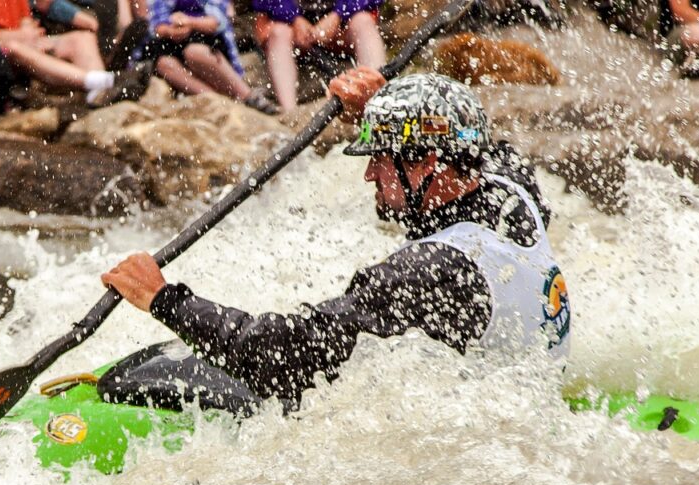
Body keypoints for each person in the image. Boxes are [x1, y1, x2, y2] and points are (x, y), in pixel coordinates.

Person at [101, 68, 572, 406]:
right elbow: (480, 142)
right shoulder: (513, 189)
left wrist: (163, 299)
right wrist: (384, 104)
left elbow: (285, 354)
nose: (369, 174)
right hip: (532, 397)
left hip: (481, 434)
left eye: (381, 158)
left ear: (426, 163)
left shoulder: (432, 271)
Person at [0, 0, 150, 107]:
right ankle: (106, 81)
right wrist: (9, 37)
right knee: (15, 48)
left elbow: (27, 17)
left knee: (81, 39)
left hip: (24, 41)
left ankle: (98, 97)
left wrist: (30, 33)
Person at [138, 0, 277, 113]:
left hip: (208, 40)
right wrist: (170, 31)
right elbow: (156, 25)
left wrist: (189, 22)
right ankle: (218, 101)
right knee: (164, 63)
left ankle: (248, 96)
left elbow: (218, 22)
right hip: (174, 42)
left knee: (194, 52)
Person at [252, 0, 386, 112]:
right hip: (291, 30)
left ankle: (380, 96)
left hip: (342, 29)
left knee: (363, 21)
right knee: (279, 32)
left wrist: (338, 14)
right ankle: (290, 112)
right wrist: (293, 18)